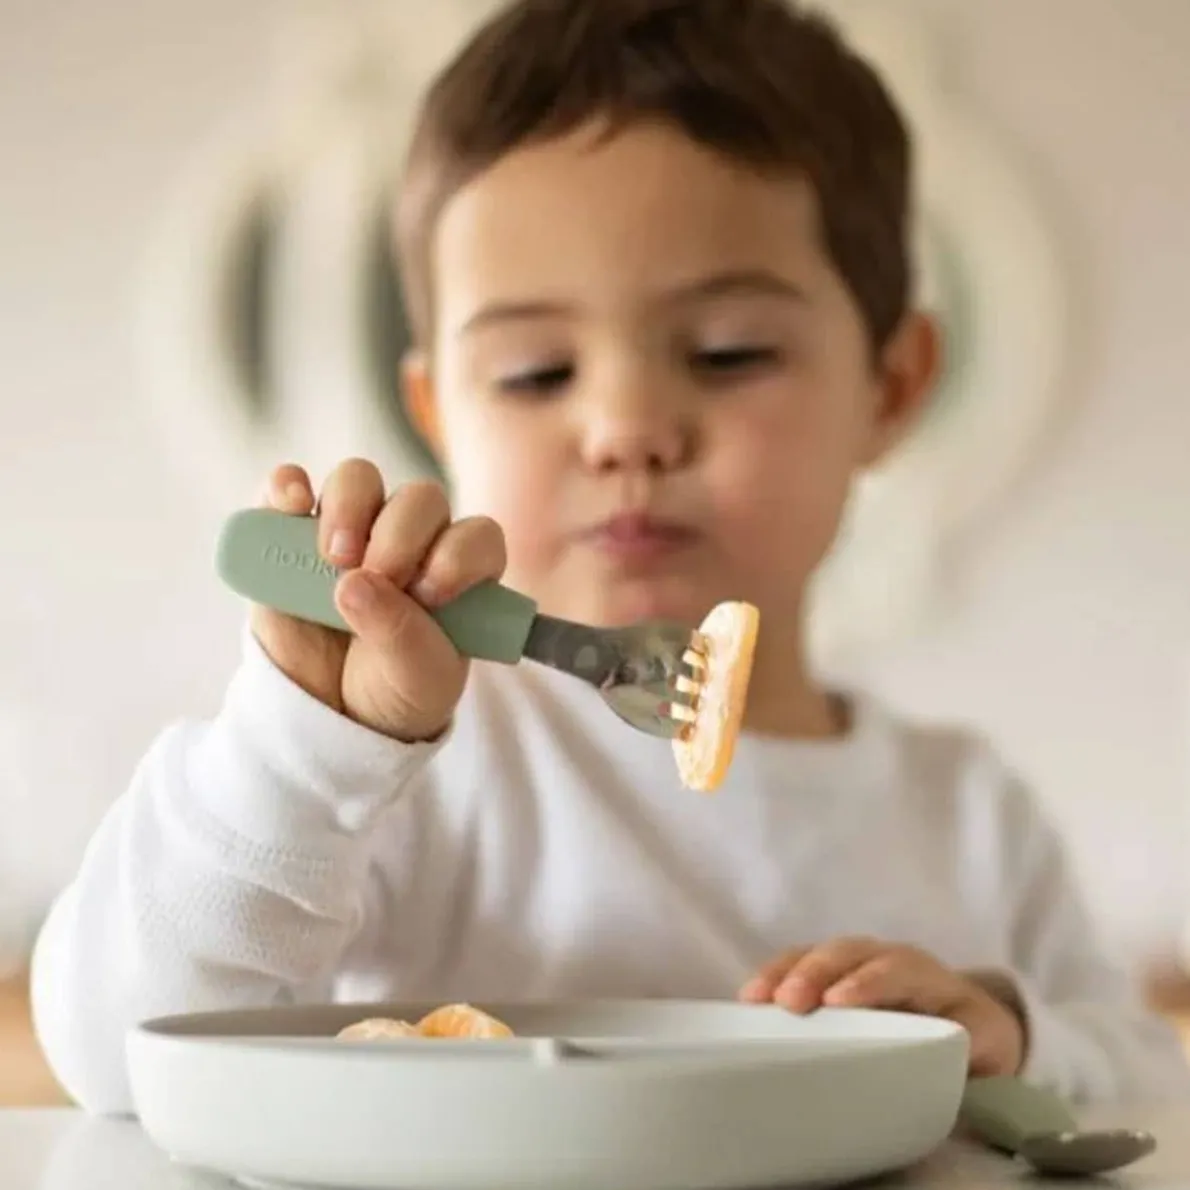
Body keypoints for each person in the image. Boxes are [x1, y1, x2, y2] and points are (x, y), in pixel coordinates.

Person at [31, 0, 1188, 1113]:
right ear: (439, 414)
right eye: (537, 373)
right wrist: (303, 743)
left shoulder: (965, 814)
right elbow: (119, 1056)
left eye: (729, 352)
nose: (625, 427)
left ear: (889, 387)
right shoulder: (394, 775)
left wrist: (1007, 1030)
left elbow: (1149, 1076)